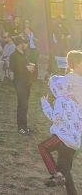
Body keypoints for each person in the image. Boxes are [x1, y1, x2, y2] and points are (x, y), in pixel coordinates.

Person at [38, 53, 82, 194]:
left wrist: (45, 103)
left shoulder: (62, 98)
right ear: (75, 64)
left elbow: (55, 117)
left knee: (45, 149)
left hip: (65, 133)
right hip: (74, 134)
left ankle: (57, 175)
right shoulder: (70, 81)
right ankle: (60, 178)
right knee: (65, 168)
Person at [10, 35, 35, 135]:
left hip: (27, 82)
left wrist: (30, 69)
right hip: (19, 83)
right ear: (20, 44)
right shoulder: (13, 56)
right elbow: (13, 69)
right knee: (22, 105)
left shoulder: (24, 54)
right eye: (25, 43)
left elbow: (25, 66)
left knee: (25, 106)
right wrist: (26, 69)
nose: (27, 45)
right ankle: (20, 127)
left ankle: (25, 126)